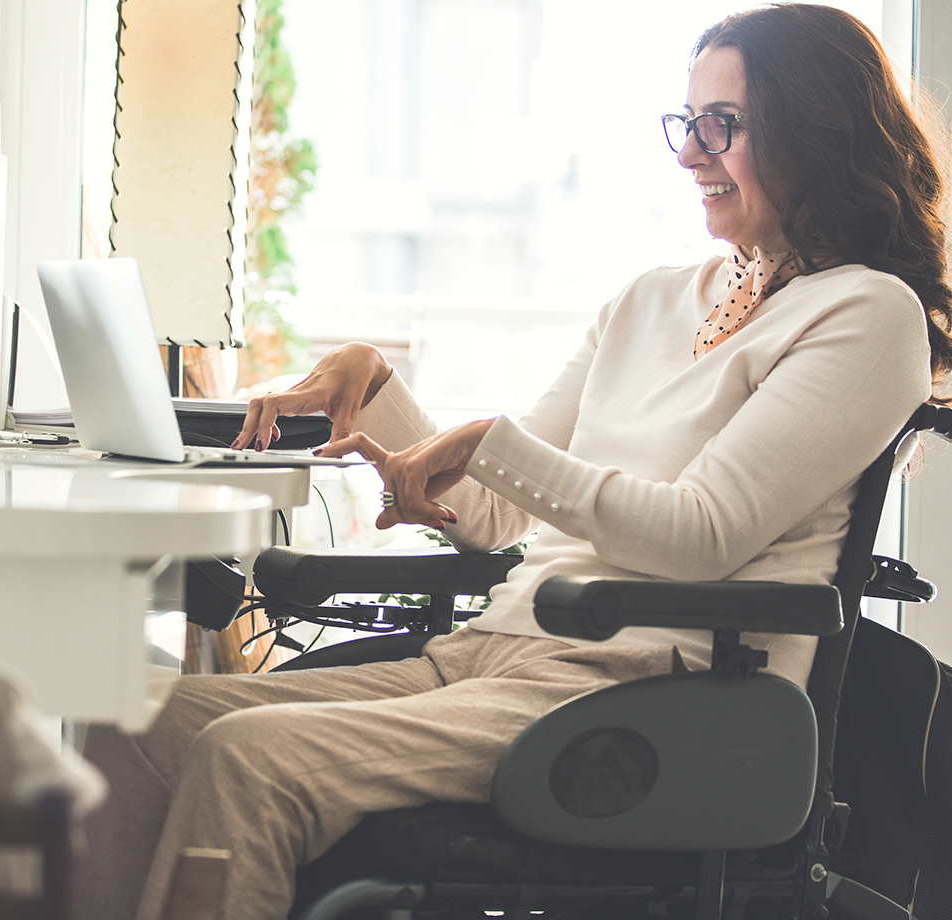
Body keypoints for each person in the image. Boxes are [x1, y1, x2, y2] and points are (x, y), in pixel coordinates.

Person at [74, 5, 952, 919]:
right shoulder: (648, 301)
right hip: (496, 654)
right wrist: (374, 386)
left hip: (649, 689)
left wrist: (488, 442)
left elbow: (704, 534)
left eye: (720, 126)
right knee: (137, 721)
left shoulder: (866, 316)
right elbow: (502, 516)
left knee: (248, 762)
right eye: (684, 125)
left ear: (816, 131)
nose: (690, 153)